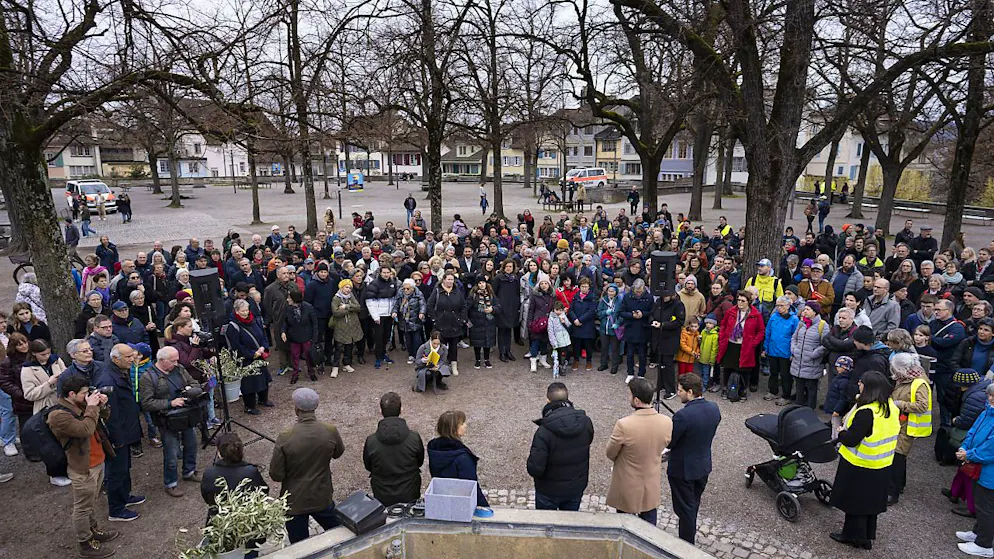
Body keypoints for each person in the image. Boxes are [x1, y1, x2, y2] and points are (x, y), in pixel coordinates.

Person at [47, 375, 119, 559]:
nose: (88, 396)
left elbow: (102, 419)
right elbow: (85, 429)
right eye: (84, 393)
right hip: (82, 466)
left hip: (97, 459)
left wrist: (101, 406)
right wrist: (92, 407)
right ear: (72, 394)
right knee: (82, 507)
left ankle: (94, 530)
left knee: (91, 501)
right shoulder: (58, 415)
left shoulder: (80, 404)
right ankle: (85, 543)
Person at [829, 371, 900, 550]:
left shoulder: (866, 412)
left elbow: (851, 439)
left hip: (859, 463)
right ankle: (866, 536)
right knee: (869, 505)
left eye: (860, 383)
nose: (858, 385)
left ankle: (852, 536)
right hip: (882, 463)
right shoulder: (890, 406)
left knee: (854, 504)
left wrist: (841, 432)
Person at [270, 388, 345, 544]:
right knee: (338, 536)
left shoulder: (285, 437)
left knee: (300, 546)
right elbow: (338, 453)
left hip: (294, 501)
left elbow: (276, 475)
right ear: (315, 407)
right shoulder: (330, 430)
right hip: (322, 495)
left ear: (296, 408)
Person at [606, 377, 673, 524]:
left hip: (627, 482)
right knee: (649, 521)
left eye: (629, 395)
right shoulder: (666, 421)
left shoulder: (624, 425)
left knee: (624, 523)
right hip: (650, 480)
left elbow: (610, 452)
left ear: (636, 400)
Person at [139, 347, 200, 497]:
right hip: (166, 420)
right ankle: (171, 483)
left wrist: (190, 390)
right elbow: (146, 403)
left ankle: (189, 471)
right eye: (173, 361)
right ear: (162, 360)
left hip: (186, 415)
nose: (176, 363)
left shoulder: (179, 369)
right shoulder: (148, 377)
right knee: (171, 453)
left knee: (191, 445)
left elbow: (194, 383)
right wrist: (169, 403)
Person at [667, 373, 721, 544]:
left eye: (680, 390)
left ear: (690, 392)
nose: (678, 393)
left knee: (685, 511)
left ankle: (686, 545)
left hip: (683, 470)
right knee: (692, 505)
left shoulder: (683, 416)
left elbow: (671, 441)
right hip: (703, 466)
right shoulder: (714, 408)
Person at [94, 344, 145, 522]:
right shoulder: (107, 380)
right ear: (116, 359)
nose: (132, 359)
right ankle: (116, 509)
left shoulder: (120, 372)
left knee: (125, 468)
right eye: (128, 357)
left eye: (132, 355)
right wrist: (117, 439)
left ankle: (125, 496)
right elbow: (110, 414)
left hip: (127, 430)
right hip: (118, 434)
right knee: (116, 471)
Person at [526, 382, 594, 511]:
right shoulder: (586, 422)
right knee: (570, 521)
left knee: (546, 522)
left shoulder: (544, 431)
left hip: (548, 491)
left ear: (548, 401)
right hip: (575, 487)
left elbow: (535, 468)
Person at [200, 433, 269, 559]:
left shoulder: (209, 473)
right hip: (248, 524)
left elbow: (207, 497)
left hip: (221, 524)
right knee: (250, 552)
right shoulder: (251, 471)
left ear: (219, 453)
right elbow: (263, 493)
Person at [362, 392, 424, 506]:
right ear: (401, 410)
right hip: (410, 491)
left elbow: (368, 466)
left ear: (381, 411)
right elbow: (419, 462)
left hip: (382, 493)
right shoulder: (414, 438)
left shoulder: (371, 441)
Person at [955, 382, 994, 557]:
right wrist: (965, 447)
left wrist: (968, 454)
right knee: (981, 504)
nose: (991, 399)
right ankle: (978, 533)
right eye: (990, 395)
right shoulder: (987, 411)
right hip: (981, 467)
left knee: (986, 508)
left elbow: (990, 449)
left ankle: (984, 544)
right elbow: (972, 432)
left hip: (989, 472)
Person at [887, 352, 932, 506]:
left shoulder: (919, 383)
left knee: (897, 457)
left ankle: (892, 493)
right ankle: (899, 485)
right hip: (900, 423)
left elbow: (923, 405)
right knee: (900, 456)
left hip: (907, 426)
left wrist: (901, 404)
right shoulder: (906, 378)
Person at [427, 410, 492, 514]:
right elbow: (471, 486)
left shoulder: (434, 449)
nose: (465, 425)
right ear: (453, 429)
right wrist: (485, 506)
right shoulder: (463, 457)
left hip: (442, 500)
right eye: (462, 424)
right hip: (460, 505)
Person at [225, 299, 273, 415]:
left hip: (259, 354)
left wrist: (263, 347)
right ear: (236, 311)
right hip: (246, 359)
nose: (246, 313)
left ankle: (263, 399)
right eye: (243, 311)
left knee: (263, 378)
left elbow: (263, 335)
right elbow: (236, 346)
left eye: (247, 310)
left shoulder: (255, 320)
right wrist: (252, 354)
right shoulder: (233, 326)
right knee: (249, 383)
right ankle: (249, 406)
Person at [717, 291, 765, 399]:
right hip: (731, 344)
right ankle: (725, 388)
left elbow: (761, 331)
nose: (740, 302)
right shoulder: (731, 312)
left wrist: (753, 343)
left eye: (743, 301)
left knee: (744, 369)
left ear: (749, 302)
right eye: (738, 300)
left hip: (745, 346)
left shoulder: (756, 315)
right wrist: (722, 336)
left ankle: (743, 390)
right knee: (728, 367)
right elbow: (723, 325)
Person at [933, 299, 969, 426]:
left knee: (945, 397)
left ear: (948, 311)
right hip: (933, 365)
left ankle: (946, 424)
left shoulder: (957, 327)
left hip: (946, 368)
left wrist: (932, 339)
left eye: (938, 310)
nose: (935, 312)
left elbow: (945, 343)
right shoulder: (933, 323)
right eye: (935, 309)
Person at [427, 273, 468, 377]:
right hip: (441, 324)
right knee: (439, 346)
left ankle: (453, 365)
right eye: (448, 279)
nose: (450, 281)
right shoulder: (437, 291)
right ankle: (439, 364)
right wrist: (434, 319)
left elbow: (463, 306)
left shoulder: (457, 292)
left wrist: (462, 320)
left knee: (454, 346)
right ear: (443, 280)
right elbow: (430, 305)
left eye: (452, 279)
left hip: (455, 324)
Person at [790, 301, 828, 409]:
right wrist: (794, 350)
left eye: (808, 309)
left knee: (811, 389)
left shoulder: (822, 325)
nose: (805, 311)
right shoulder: (801, 323)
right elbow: (794, 338)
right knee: (799, 387)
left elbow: (825, 344)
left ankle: (810, 411)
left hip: (812, 364)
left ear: (815, 312)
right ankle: (797, 410)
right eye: (804, 309)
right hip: (798, 362)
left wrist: (813, 354)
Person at [763, 296, 798, 404]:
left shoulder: (794, 319)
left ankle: (786, 396)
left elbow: (796, 337)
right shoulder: (774, 317)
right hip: (773, 350)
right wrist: (765, 348)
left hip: (786, 352)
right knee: (773, 372)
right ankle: (773, 391)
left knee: (785, 375)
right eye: (777, 305)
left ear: (788, 306)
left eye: (781, 305)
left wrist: (793, 352)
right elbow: (768, 332)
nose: (779, 307)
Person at [620, 279, 653, 383]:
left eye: (640, 291)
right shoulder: (627, 297)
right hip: (631, 327)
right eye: (637, 291)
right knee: (630, 353)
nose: (638, 293)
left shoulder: (649, 297)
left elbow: (652, 311)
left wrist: (643, 314)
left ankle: (641, 374)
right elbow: (622, 312)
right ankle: (630, 373)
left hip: (643, 328)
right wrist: (631, 315)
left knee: (642, 354)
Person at [281, 290, 318, 384]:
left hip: (306, 336)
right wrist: (283, 332)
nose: (287, 300)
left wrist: (314, 337)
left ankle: (311, 372)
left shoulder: (308, 307)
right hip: (294, 336)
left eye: (289, 298)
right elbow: (285, 322)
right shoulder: (287, 308)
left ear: (294, 299)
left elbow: (314, 323)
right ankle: (295, 374)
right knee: (295, 356)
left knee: (309, 356)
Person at [365, 266, 399, 369]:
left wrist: (394, 311)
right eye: (384, 272)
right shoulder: (374, 284)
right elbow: (370, 302)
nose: (386, 274)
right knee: (378, 337)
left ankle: (384, 354)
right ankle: (378, 357)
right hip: (379, 316)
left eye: (388, 272)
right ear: (380, 273)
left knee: (386, 336)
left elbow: (394, 298)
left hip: (389, 315)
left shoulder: (392, 283)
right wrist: (375, 316)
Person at [330, 279, 362, 378]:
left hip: (352, 326)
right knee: (338, 347)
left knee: (349, 346)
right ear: (341, 287)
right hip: (341, 326)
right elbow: (336, 312)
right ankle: (335, 367)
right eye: (346, 287)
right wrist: (350, 310)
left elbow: (358, 307)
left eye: (350, 288)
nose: (348, 289)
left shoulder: (351, 296)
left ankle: (346, 364)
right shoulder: (336, 298)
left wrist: (346, 306)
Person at [393, 278, 426, 365]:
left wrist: (422, 313)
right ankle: (411, 354)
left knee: (416, 339)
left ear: (412, 288)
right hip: (405, 321)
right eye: (404, 288)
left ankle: (417, 355)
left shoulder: (418, 294)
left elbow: (422, 304)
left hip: (415, 320)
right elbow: (396, 304)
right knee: (408, 340)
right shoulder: (400, 294)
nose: (405, 290)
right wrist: (394, 312)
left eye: (408, 288)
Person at [468, 278, 500, 369]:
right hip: (476, 322)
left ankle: (487, 359)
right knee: (477, 343)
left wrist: (492, 309)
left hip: (489, 321)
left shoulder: (491, 294)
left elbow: (498, 306)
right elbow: (467, 307)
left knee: (488, 342)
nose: (482, 284)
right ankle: (477, 360)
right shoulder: (473, 295)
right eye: (480, 283)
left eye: (483, 282)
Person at [568, 277, 597, 371]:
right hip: (576, 324)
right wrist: (575, 319)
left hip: (587, 325)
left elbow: (591, 311)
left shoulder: (592, 297)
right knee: (576, 344)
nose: (584, 288)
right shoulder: (575, 297)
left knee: (588, 345)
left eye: (586, 287)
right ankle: (576, 360)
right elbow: (570, 310)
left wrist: (580, 320)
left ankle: (589, 361)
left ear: (589, 287)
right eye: (582, 286)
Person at [597, 284, 622, 374]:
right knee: (604, 347)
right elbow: (598, 313)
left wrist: (617, 323)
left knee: (615, 348)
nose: (611, 293)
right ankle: (604, 364)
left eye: (613, 291)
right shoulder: (603, 300)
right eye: (609, 291)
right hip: (604, 328)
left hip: (614, 328)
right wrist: (605, 312)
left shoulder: (619, 301)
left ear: (616, 292)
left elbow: (622, 314)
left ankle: (615, 365)